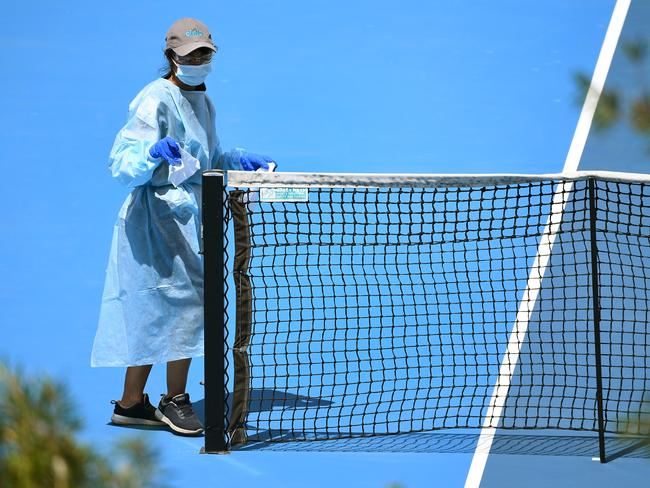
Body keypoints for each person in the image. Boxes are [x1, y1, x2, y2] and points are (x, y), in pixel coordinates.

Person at [91, 18, 275, 435]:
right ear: (171, 56)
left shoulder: (204, 102)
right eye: (191, 55)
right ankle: (174, 400)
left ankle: (132, 404)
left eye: (205, 53)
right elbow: (121, 164)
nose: (199, 60)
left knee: (168, 310)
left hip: (191, 217)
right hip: (154, 222)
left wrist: (236, 161)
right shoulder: (154, 98)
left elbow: (205, 158)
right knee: (177, 309)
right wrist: (152, 152)